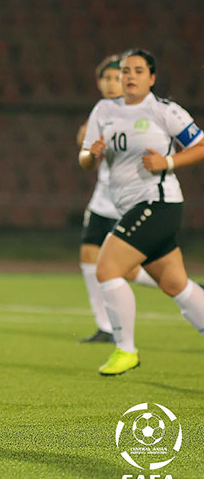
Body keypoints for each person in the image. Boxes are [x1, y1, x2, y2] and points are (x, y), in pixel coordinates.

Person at [79, 48, 204, 375]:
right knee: (175, 284)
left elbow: (201, 145)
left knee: (106, 268)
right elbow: (85, 158)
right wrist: (92, 155)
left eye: (137, 71)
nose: (130, 76)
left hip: (158, 203)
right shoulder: (104, 110)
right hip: (130, 207)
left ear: (152, 78)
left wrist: (169, 162)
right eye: (126, 71)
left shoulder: (164, 110)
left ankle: (125, 349)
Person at [76, 55, 159, 344]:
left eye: (117, 77)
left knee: (126, 268)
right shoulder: (102, 111)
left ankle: (184, 288)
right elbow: (83, 141)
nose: (112, 84)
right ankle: (105, 326)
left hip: (129, 199)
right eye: (107, 78)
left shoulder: (139, 112)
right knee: (89, 256)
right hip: (102, 198)